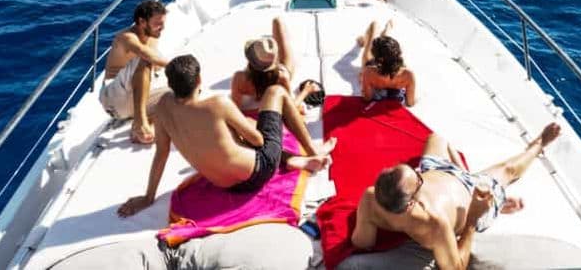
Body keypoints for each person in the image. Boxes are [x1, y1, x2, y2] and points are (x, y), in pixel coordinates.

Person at [118, 55, 337, 217]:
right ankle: (312, 151)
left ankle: (293, 160)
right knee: (275, 94)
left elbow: (162, 153)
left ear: (171, 84)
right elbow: (259, 141)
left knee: (237, 134)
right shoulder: (218, 104)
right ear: (199, 80)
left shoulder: (163, 106)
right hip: (259, 172)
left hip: (224, 184)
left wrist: (148, 197)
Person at [351, 123, 562, 270]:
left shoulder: (371, 198)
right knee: (508, 171)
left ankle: (467, 173)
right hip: (469, 200)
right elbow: (457, 267)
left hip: (438, 170)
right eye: (418, 179)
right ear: (411, 204)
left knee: (437, 138)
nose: (417, 173)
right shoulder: (436, 224)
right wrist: (473, 218)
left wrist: (368, 223)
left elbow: (362, 243)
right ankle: (539, 145)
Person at [99, 0, 171, 144]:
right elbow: (145, 54)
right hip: (113, 100)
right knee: (145, 59)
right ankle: (140, 121)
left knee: (185, 91)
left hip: (133, 101)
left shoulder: (153, 37)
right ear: (142, 22)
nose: (162, 28)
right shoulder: (126, 38)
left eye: (163, 24)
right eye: (158, 24)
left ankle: (144, 123)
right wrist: (178, 66)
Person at [231, 17, 321, 114]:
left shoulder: (239, 78)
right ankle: (271, 49)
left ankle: (266, 52)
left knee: (277, 23)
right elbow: (291, 108)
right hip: (279, 71)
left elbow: (234, 110)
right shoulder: (281, 76)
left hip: (264, 73)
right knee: (277, 22)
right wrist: (306, 91)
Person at [357, 20, 417, 107]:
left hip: (376, 64)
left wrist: (363, 80)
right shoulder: (408, 75)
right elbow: (410, 102)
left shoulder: (368, 72)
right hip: (390, 62)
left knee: (374, 26)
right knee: (386, 44)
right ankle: (387, 28)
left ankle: (368, 37)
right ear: (398, 54)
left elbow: (367, 98)